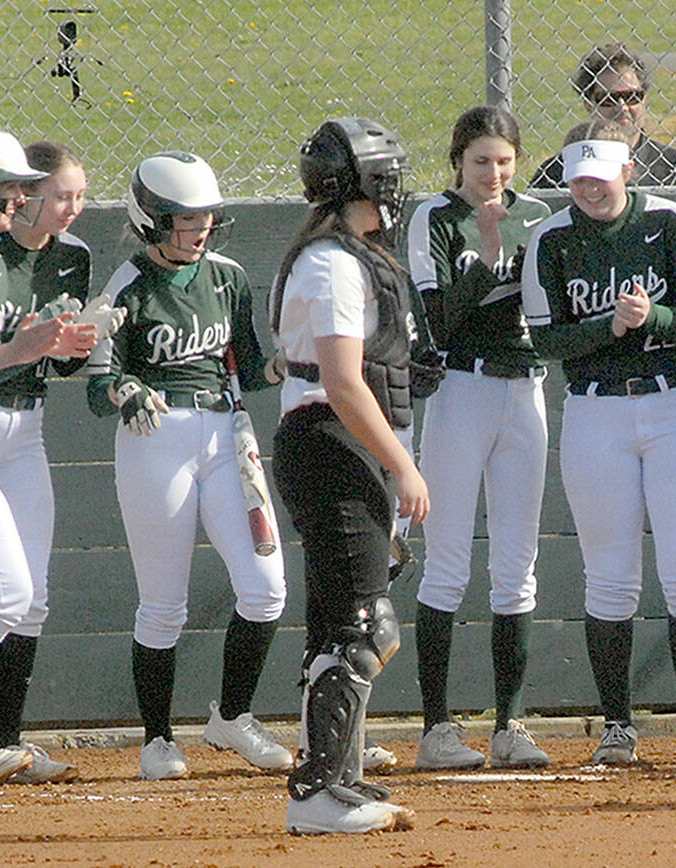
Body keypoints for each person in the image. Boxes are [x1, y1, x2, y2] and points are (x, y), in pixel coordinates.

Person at [521, 119, 676, 765]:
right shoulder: (552, 238)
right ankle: (617, 724)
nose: (590, 190)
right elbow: (546, 339)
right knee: (611, 578)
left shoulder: (668, 221)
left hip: (675, 403)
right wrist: (609, 325)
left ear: (628, 170)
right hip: (596, 413)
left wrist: (656, 318)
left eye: (602, 177)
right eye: (579, 180)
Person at [84, 151, 291, 781]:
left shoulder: (225, 275)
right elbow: (98, 388)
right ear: (149, 219)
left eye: (206, 216)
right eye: (183, 218)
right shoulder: (127, 285)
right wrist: (126, 389)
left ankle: (231, 717)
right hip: (157, 438)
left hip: (226, 432)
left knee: (266, 589)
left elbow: (251, 366)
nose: (199, 229)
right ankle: (157, 737)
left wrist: (290, 362)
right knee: (163, 604)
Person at [0, 141, 122, 785]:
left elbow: (42, 357)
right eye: (58, 195)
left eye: (77, 195)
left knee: (24, 592)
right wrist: (20, 345)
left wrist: (68, 343)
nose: (70, 207)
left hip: (16, 421)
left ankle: (1, 739)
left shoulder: (57, 257)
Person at [270, 117, 424, 834]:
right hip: (330, 444)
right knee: (365, 628)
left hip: (338, 445)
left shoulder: (352, 255)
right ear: (362, 183)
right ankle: (317, 794)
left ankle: (341, 780)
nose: (395, 185)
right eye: (387, 173)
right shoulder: (330, 262)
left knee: (338, 624)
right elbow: (340, 381)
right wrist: (403, 465)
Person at [406, 106, 552, 770]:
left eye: (503, 162)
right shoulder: (435, 217)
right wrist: (489, 257)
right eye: (479, 161)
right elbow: (440, 319)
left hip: (524, 390)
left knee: (516, 568)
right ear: (457, 162)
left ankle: (510, 725)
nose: (492, 174)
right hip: (462, 389)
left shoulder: (540, 214)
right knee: (447, 563)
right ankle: (437, 728)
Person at [530, 43, 676, 189]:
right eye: (608, 99)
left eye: (632, 97)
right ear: (588, 104)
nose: (622, 107)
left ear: (645, 99)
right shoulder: (557, 172)